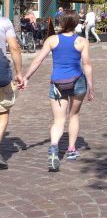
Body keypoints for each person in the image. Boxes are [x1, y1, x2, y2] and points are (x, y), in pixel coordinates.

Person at [21, 10, 94, 172]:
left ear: (61, 22)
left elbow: (38, 60)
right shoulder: (82, 41)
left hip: (57, 84)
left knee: (58, 120)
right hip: (77, 82)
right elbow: (87, 64)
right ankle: (71, 149)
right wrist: (90, 85)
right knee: (74, 115)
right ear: (76, 23)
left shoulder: (52, 40)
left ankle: (54, 146)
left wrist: (26, 77)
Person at [0, 15, 24, 169]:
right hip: (0, 73)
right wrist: (19, 72)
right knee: (2, 112)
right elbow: (14, 48)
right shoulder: (4, 22)